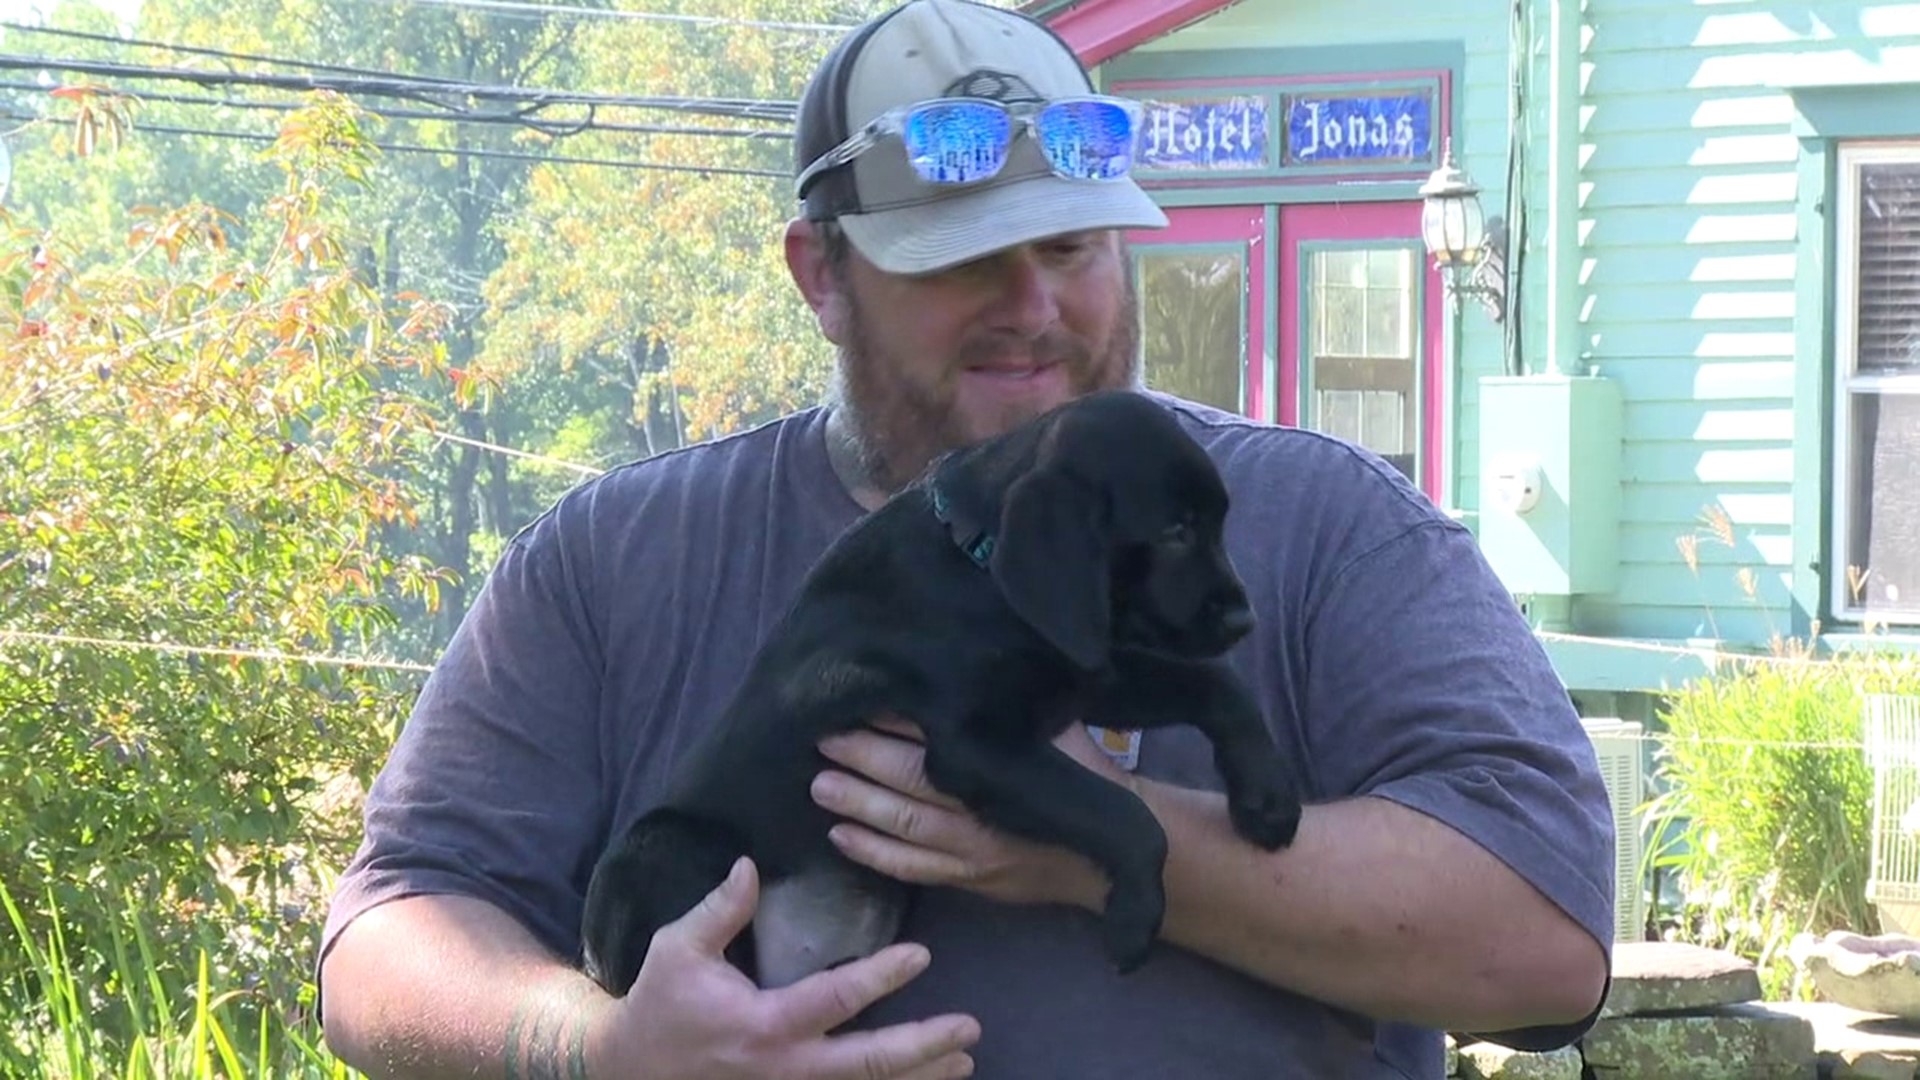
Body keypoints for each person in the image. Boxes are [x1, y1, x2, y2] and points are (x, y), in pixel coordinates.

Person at [315, 1, 1618, 1077]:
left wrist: (1095, 840)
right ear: (821, 275)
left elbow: (1545, 942)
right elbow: (393, 930)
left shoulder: (1333, 527)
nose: (1034, 307)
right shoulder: (617, 559)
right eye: (962, 258)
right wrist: (598, 1050)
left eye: (1071, 245)